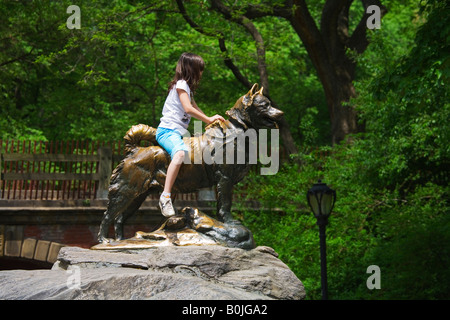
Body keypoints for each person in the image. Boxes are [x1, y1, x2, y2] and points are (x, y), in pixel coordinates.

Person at [156, 52, 224, 217]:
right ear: (191, 69)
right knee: (180, 154)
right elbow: (188, 109)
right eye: (199, 69)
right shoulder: (181, 85)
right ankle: (165, 197)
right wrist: (207, 119)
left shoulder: (187, 89)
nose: (201, 73)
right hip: (167, 131)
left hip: (176, 133)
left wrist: (211, 121)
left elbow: (195, 107)